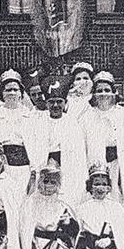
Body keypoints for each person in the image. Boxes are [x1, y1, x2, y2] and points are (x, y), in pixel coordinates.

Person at [22, 77, 89, 207]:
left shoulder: (73, 124)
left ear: (65, 103)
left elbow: (79, 155)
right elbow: (33, 150)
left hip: (67, 168)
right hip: (45, 167)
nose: (55, 105)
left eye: (59, 102)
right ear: (47, 103)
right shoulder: (38, 123)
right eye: (52, 102)